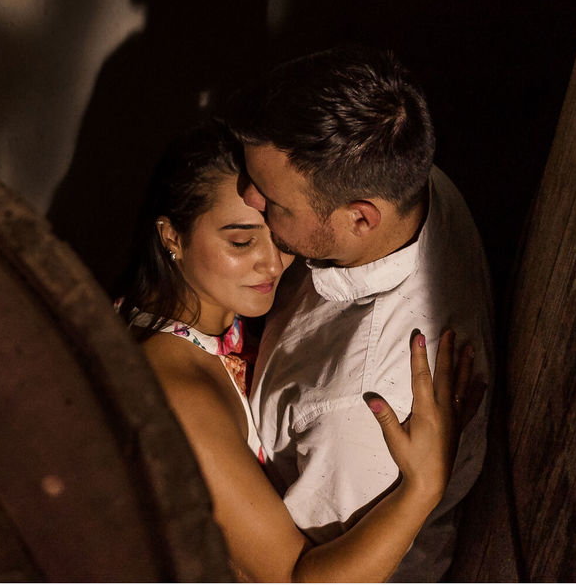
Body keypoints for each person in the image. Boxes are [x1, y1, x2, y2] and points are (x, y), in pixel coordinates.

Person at [115, 121, 482, 582]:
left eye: (277, 234)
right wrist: (423, 487)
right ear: (171, 236)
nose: (272, 263)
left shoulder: (187, 315)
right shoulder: (179, 397)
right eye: (241, 241)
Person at [225, 45, 493, 581]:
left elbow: (302, 572)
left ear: (360, 219)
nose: (248, 197)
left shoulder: (360, 407)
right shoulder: (415, 183)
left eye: (276, 202)